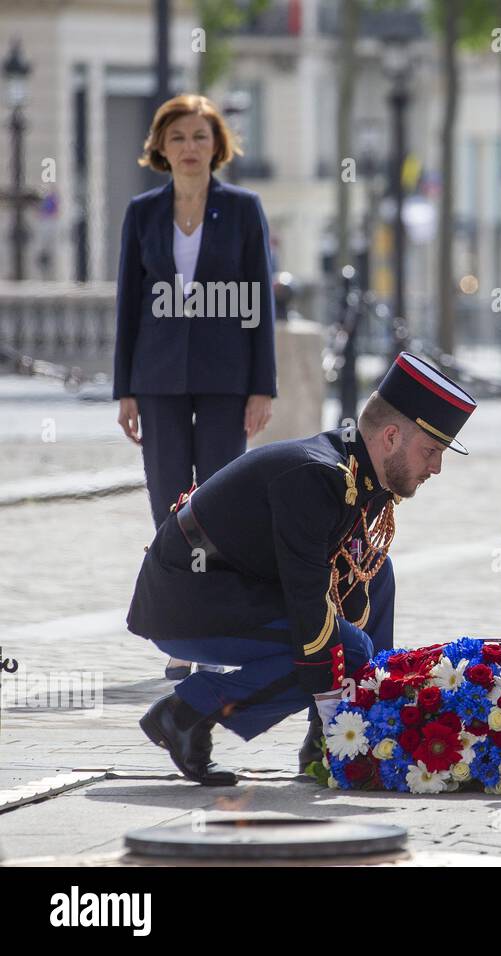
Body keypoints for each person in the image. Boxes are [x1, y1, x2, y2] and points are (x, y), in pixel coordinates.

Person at [127, 353, 476, 785]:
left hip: (231, 585)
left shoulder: (359, 472)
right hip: (188, 596)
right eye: (431, 451)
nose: (436, 467)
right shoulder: (318, 476)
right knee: (343, 649)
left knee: (373, 575)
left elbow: (344, 584)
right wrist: (335, 710)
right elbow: (309, 606)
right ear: (390, 437)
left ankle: (348, 729)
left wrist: (363, 714)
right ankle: (186, 713)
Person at [112, 93, 278, 681]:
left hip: (227, 380)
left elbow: (259, 299)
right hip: (156, 381)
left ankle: (214, 629)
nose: (189, 148)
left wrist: (262, 386)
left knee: (216, 504)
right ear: (160, 146)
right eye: (177, 137)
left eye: (200, 137)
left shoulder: (242, 208)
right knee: (166, 505)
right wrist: (124, 389)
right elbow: (129, 303)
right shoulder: (142, 213)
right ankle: (177, 633)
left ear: (217, 146)